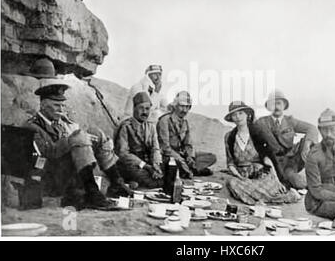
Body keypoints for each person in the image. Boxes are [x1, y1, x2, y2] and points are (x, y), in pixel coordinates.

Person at [24, 81, 131, 210]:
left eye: (63, 105)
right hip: (50, 176)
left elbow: (74, 142)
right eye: (56, 105)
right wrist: (74, 138)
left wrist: (78, 135)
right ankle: (92, 192)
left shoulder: (60, 122)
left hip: (68, 173)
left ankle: (116, 182)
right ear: (43, 105)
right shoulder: (32, 126)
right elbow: (47, 153)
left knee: (96, 133)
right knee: (79, 137)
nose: (61, 110)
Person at [224, 101, 300, 205]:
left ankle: (278, 196)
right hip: (242, 177)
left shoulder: (256, 132)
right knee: (232, 183)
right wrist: (239, 176)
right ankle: (263, 199)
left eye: (241, 113)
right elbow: (230, 163)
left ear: (247, 114)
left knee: (270, 186)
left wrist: (277, 180)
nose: (238, 117)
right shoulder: (229, 137)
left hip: (260, 174)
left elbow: (267, 158)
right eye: (234, 114)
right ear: (231, 118)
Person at [255, 90, 318, 190]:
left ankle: (314, 175)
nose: (276, 107)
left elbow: (312, 128)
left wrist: (306, 146)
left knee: (312, 143)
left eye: (279, 103)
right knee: (298, 183)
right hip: (275, 163)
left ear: (284, 105)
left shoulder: (290, 121)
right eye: (272, 104)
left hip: (292, 161)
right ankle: (292, 180)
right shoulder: (261, 122)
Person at [157, 91, 216, 178]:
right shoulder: (164, 121)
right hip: (168, 156)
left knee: (211, 157)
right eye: (182, 106)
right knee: (173, 163)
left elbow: (188, 144)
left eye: (187, 107)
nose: (184, 110)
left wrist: (190, 157)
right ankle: (189, 170)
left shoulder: (185, 123)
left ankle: (189, 169)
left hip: (181, 155)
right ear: (175, 105)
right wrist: (180, 159)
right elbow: (165, 147)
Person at [115, 92, 164, 188]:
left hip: (148, 165)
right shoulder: (126, 127)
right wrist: (145, 166)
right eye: (141, 108)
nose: (145, 112)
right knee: (151, 182)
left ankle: (135, 183)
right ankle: (130, 183)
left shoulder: (151, 126)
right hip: (131, 165)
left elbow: (155, 148)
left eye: (147, 109)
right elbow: (123, 153)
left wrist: (156, 165)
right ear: (134, 108)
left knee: (167, 175)